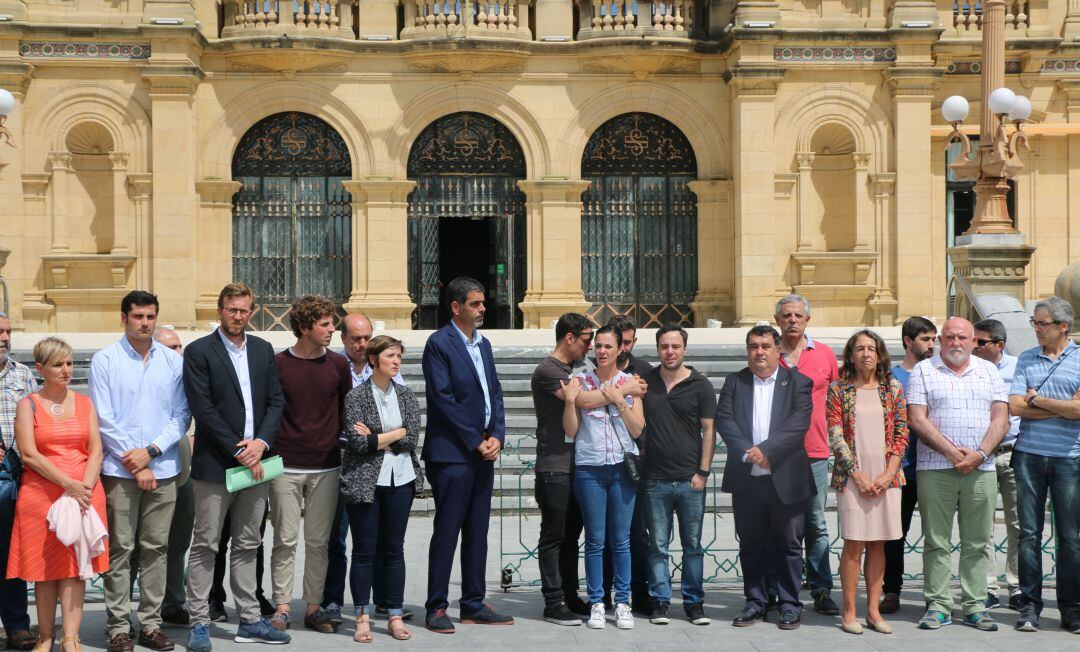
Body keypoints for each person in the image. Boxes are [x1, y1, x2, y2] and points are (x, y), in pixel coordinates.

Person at [182, 282, 289, 651]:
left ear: (251, 311)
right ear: (220, 310)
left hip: (256, 464)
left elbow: (276, 401)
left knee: (249, 542)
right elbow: (203, 408)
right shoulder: (199, 352)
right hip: (216, 465)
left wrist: (261, 443)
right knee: (206, 544)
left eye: (244, 310)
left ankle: (249, 619)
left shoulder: (262, 350)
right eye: (231, 309)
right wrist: (238, 449)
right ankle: (199, 621)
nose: (238, 316)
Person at [90, 291, 190, 652]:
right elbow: (103, 418)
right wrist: (133, 461)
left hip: (162, 467)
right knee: (120, 549)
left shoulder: (172, 362)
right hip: (120, 470)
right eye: (138, 316)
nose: (145, 323)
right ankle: (118, 627)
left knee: (156, 549)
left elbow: (181, 414)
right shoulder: (106, 360)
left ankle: (150, 624)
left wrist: (151, 452)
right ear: (124, 318)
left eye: (150, 316)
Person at [421, 277, 513, 633]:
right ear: (456, 307)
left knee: (478, 530)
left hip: (482, 452)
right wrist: (476, 439)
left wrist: (498, 437)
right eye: (475, 304)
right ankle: (437, 607)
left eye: (483, 303)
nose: (482, 309)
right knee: (447, 530)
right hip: (452, 454)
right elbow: (442, 399)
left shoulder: (483, 344)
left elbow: (496, 393)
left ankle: (473, 602)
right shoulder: (438, 344)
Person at [907, 317, 1009, 632]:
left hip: (982, 469)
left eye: (963, 337)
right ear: (940, 339)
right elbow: (916, 419)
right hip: (936, 468)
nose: (956, 343)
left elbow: (1000, 418)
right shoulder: (923, 370)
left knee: (977, 541)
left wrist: (978, 455)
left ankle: (976, 605)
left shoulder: (989, 371)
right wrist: (953, 454)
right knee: (937, 541)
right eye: (950, 337)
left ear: (973, 341)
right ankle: (938, 604)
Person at [8, 337, 108, 652]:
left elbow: (96, 450)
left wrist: (85, 488)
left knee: (76, 567)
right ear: (40, 369)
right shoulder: (28, 404)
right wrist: (69, 484)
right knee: (44, 569)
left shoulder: (84, 403)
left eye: (69, 363)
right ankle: (46, 636)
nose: (66, 370)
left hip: (84, 494)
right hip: (41, 494)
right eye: (57, 365)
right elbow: (29, 454)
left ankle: (71, 637)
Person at [715, 325, 813, 630]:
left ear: (777, 350)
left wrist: (767, 450)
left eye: (766, 346)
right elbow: (725, 419)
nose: (759, 352)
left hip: (785, 478)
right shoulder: (735, 382)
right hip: (748, 479)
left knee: (788, 545)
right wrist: (748, 451)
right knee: (752, 545)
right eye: (754, 346)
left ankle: (789, 604)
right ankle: (755, 602)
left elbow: (799, 424)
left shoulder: (798, 382)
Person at [267, 296, 351, 634]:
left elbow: (345, 410)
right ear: (304, 328)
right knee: (285, 540)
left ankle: (314, 607)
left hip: (327, 466)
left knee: (318, 542)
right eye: (325, 324)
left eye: (332, 323)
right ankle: (283, 606)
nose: (333, 329)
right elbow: (270, 410)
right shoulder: (277, 364)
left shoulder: (338, 365)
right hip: (284, 466)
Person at [323, 312, 409, 625]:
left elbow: (407, 427)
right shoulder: (332, 367)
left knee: (385, 539)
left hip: (386, 470)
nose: (362, 344)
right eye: (355, 338)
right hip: (343, 465)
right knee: (339, 538)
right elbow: (342, 427)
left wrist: (374, 437)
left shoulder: (392, 373)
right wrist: (385, 435)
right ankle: (332, 601)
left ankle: (386, 602)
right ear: (342, 338)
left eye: (366, 337)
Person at [340, 335, 424, 642]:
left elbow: (410, 438)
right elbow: (358, 443)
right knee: (364, 550)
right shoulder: (356, 396)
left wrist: (377, 435)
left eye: (399, 356)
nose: (396, 361)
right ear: (374, 359)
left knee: (394, 549)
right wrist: (392, 433)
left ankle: (394, 613)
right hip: (365, 482)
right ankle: (362, 615)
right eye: (390, 355)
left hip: (400, 480)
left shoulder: (406, 395)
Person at [826, 330, 909, 635]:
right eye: (859, 349)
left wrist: (887, 475)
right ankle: (849, 611)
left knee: (878, 544)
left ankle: (873, 611)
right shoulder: (839, 389)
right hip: (852, 478)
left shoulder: (894, 389)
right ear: (850, 355)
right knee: (854, 542)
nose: (866, 354)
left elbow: (902, 434)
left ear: (880, 354)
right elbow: (835, 435)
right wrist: (857, 476)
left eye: (871, 349)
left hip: (886, 477)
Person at [564, 325, 645, 630]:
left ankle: (623, 602)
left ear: (619, 349)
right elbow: (572, 428)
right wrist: (576, 400)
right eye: (598, 346)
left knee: (621, 540)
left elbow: (637, 429)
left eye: (609, 346)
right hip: (590, 468)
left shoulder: (631, 383)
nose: (602, 351)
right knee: (595, 540)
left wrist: (621, 398)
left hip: (622, 469)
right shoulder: (580, 381)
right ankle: (597, 601)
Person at [1007, 296, 1080, 634]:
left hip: (1070, 457)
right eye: (1034, 323)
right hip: (1029, 456)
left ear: (1063, 326)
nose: (1036, 329)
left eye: (1042, 323)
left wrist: (1038, 399)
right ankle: (1029, 606)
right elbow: (1016, 407)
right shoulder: (1026, 358)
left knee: (1070, 537)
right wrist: (1061, 406)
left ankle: (1071, 608)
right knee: (1029, 534)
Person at [641, 324, 716, 626]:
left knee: (692, 547)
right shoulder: (645, 383)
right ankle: (660, 601)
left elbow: (709, 430)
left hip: (690, 480)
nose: (669, 352)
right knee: (657, 546)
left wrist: (703, 472)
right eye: (664, 347)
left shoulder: (701, 385)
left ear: (684, 349)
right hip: (654, 480)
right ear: (657, 349)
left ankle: (693, 603)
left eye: (675, 346)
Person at [773, 294, 839, 616]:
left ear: (807, 320)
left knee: (815, 522)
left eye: (798, 315)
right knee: (780, 524)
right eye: (787, 316)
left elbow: (839, 400)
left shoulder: (824, 354)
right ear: (778, 321)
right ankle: (779, 587)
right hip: (777, 455)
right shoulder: (768, 354)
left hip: (815, 452)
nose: (793, 321)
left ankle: (822, 588)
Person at [531, 313, 594, 625]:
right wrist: (621, 392)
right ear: (569, 337)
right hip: (554, 467)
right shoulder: (549, 369)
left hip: (575, 466)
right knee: (554, 535)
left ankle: (569, 596)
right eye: (586, 339)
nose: (590, 346)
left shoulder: (572, 369)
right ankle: (552, 601)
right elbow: (583, 400)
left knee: (572, 535)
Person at [880, 316, 936, 613]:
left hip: (933, 467)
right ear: (908, 341)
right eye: (926, 339)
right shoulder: (891, 378)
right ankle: (891, 590)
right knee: (894, 534)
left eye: (933, 339)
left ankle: (935, 592)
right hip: (900, 470)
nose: (932, 345)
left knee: (935, 534)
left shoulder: (938, 374)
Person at [972, 318, 1022, 611]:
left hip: (1014, 451)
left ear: (999, 345)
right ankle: (987, 586)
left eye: (981, 342)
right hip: (982, 453)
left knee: (1018, 524)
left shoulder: (1019, 367)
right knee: (982, 525)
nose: (974, 347)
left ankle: (1015, 585)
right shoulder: (970, 368)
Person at [606, 315, 653, 614]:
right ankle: (605, 593)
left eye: (628, 341)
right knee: (604, 533)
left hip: (637, 463)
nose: (623, 346)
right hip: (602, 461)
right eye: (618, 340)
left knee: (637, 532)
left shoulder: (645, 371)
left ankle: (641, 591)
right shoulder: (597, 371)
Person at [152, 327, 198, 627]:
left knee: (179, 542)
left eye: (180, 346)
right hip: (154, 471)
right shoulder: (150, 381)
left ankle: (173, 602)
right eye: (171, 347)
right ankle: (146, 611)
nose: (178, 352)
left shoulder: (186, 380)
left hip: (184, 471)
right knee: (149, 546)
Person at [0, 311, 38, 651]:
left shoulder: (23, 375)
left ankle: (16, 625)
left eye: (8, 331)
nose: (5, 338)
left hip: (14, 473)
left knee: (10, 552)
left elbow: (37, 422)